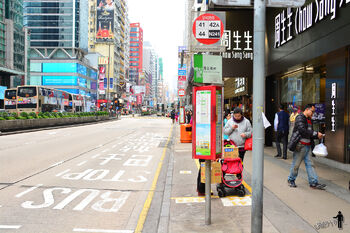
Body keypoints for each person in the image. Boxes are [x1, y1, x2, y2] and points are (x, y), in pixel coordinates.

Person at [287, 104, 326, 189]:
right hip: (300, 146)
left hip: (307, 146)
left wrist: (317, 135)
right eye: (312, 111)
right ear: (307, 110)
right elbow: (302, 130)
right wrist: (315, 134)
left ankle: (313, 182)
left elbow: (309, 132)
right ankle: (291, 180)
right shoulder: (300, 117)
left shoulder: (308, 119)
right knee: (296, 165)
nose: (313, 113)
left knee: (310, 164)